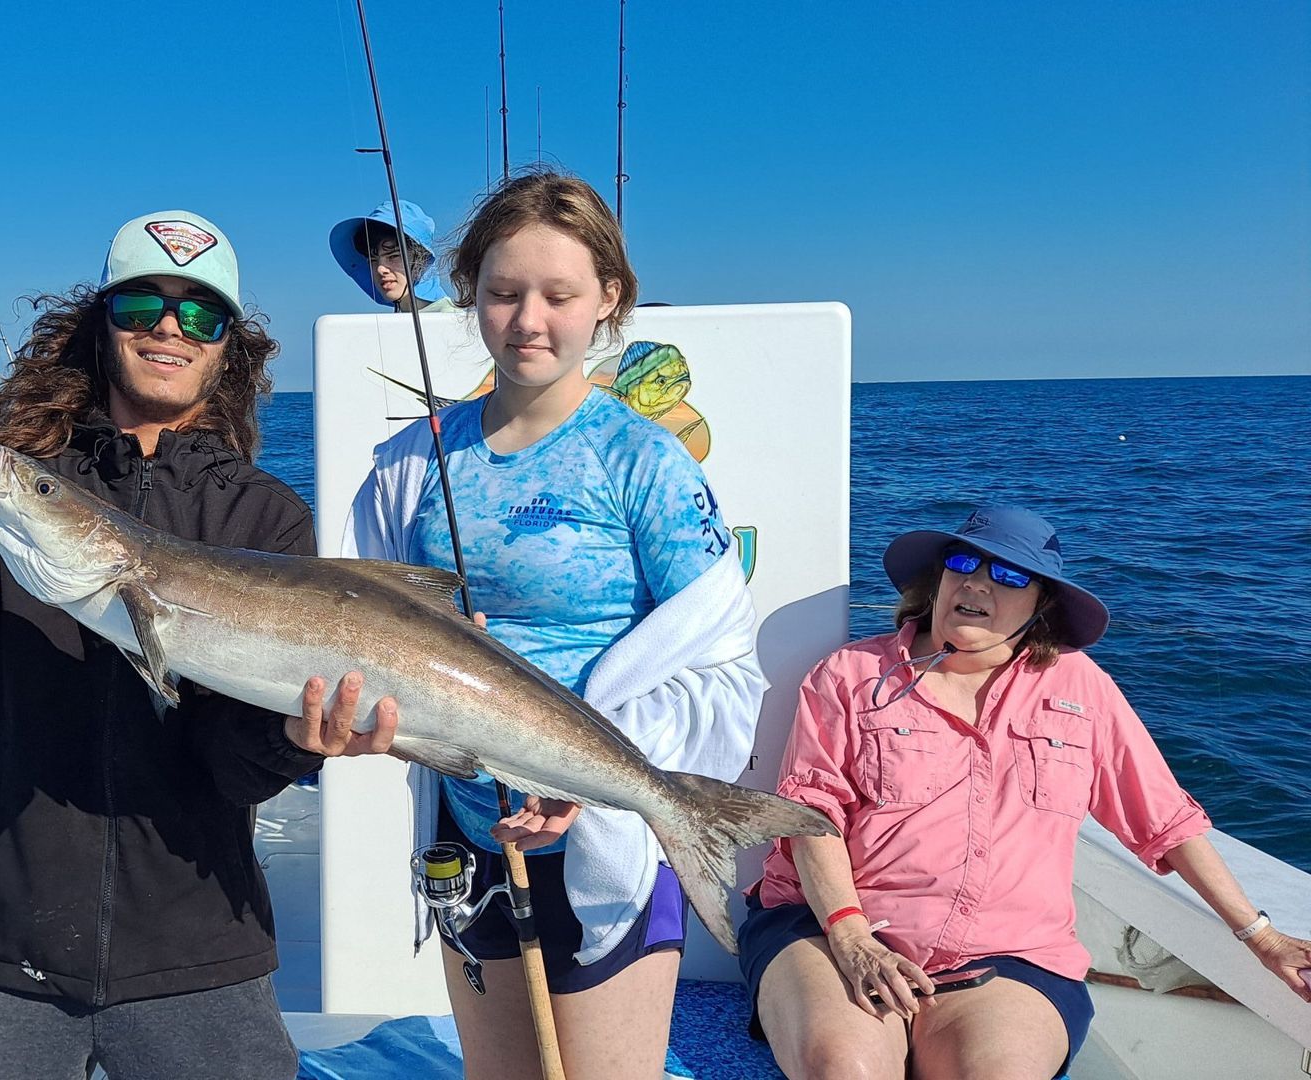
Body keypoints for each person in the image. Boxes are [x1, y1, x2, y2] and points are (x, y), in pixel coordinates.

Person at [0, 209, 396, 1080]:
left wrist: (297, 741)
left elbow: (231, 760)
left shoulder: (262, 516)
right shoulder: (16, 482)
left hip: (198, 945)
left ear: (230, 349)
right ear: (101, 326)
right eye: (144, 305)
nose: (171, 330)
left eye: (202, 314)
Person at [345, 170, 766, 1080]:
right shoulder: (410, 464)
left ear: (608, 299)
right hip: (465, 835)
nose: (528, 319)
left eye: (558, 294)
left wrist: (587, 776)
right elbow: (361, 628)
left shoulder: (644, 463)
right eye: (502, 292)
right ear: (471, 297)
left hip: (607, 838)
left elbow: (727, 669)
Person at [741, 505, 1311, 1079]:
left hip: (1009, 957)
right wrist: (853, 938)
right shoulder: (850, 674)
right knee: (848, 1069)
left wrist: (1263, 939)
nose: (977, 582)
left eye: (1010, 575)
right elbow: (810, 814)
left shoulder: (1082, 688)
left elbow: (1166, 820)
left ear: (1041, 605)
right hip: (829, 929)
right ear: (937, 580)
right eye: (963, 562)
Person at [329, 200, 459, 313]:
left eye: (393, 256)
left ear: (421, 260)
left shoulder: (450, 317)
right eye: (373, 260)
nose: (380, 269)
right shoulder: (393, 323)